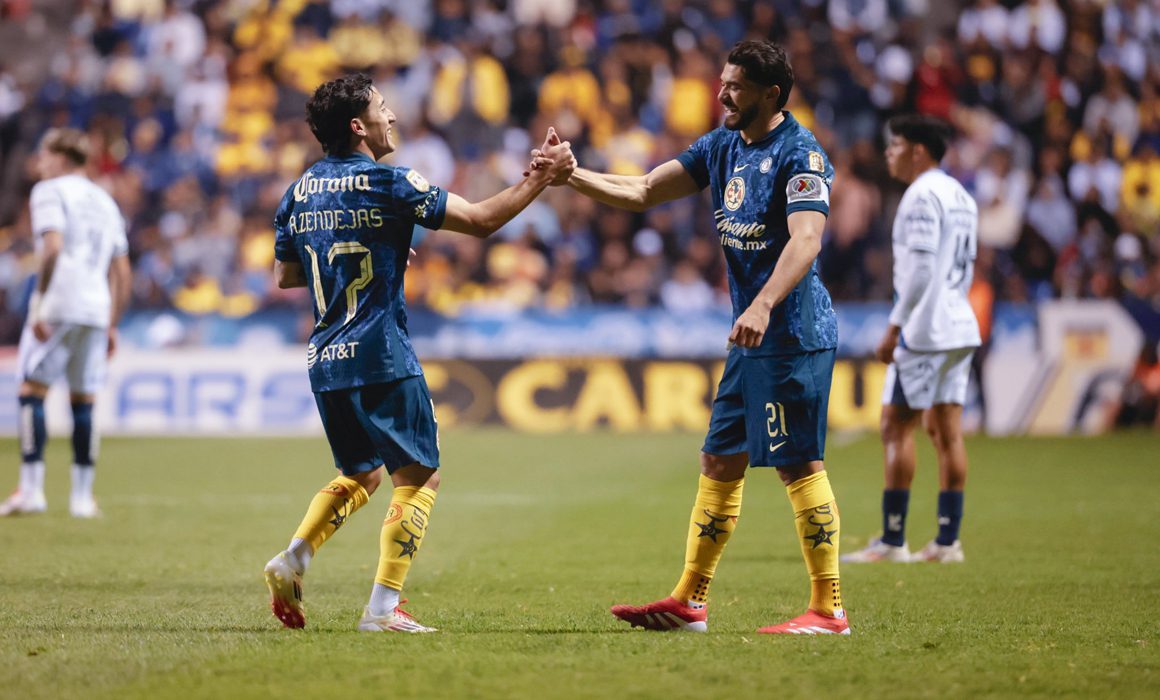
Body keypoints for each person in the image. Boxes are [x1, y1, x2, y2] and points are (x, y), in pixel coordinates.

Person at [538, 39, 848, 634]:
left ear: (770, 95)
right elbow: (643, 191)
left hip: (792, 333)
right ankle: (690, 600)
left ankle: (829, 609)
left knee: (798, 464)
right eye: (722, 81)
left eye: (734, 86)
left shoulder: (800, 154)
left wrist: (760, 304)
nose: (721, 93)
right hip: (750, 339)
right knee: (719, 459)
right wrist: (571, 176)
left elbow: (806, 240)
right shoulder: (721, 147)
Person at [264, 73, 574, 633]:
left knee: (362, 474)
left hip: (325, 358)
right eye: (384, 109)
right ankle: (383, 609)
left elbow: (286, 274)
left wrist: (351, 250)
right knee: (420, 478)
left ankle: (294, 556)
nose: (394, 117)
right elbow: (480, 221)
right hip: (381, 351)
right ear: (359, 126)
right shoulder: (391, 182)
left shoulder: (299, 190)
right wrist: (541, 178)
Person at [842, 114, 980, 565]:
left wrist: (895, 327)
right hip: (959, 322)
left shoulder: (919, 196)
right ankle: (947, 541)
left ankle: (893, 541)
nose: (889, 153)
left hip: (925, 329)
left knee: (895, 425)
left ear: (918, 150)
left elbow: (920, 270)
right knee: (946, 431)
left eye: (895, 145)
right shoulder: (961, 195)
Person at [0, 128, 131, 519]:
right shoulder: (105, 199)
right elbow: (122, 271)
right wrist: (112, 323)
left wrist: (39, 303)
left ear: (59, 158)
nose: (39, 164)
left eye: (43, 155)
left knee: (31, 389)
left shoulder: (49, 190)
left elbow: (53, 247)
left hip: (59, 304)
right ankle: (82, 497)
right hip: (95, 308)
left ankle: (32, 490)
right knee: (84, 400)